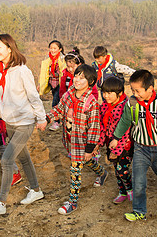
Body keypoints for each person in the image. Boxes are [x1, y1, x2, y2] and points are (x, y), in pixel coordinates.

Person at [0, 34, 46, 216]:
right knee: (24, 157)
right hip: (9, 123)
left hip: (25, 122)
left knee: (7, 159)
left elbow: (33, 96)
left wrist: (41, 118)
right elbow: (0, 97)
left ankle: (1, 201)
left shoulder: (21, 70)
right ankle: (36, 190)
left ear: (10, 48)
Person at [113, 70, 157, 222]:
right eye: (132, 90)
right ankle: (139, 211)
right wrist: (116, 137)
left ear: (150, 88)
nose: (134, 93)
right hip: (140, 149)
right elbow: (125, 121)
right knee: (138, 181)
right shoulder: (131, 103)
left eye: (137, 91)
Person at [45, 64, 108, 215]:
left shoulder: (91, 102)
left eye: (82, 78)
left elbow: (94, 127)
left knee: (75, 169)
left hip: (83, 142)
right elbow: (59, 109)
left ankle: (73, 202)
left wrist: (89, 148)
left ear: (91, 82)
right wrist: (47, 119)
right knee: (87, 161)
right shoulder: (69, 94)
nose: (77, 80)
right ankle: (102, 173)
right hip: (70, 139)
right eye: (76, 76)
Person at [96, 76, 133, 204]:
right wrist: (99, 143)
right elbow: (101, 126)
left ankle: (130, 190)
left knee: (122, 170)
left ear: (120, 93)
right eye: (104, 92)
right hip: (110, 143)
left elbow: (125, 131)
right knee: (116, 169)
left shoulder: (124, 108)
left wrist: (117, 150)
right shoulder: (104, 106)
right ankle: (122, 192)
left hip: (124, 145)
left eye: (110, 93)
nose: (106, 96)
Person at [39, 40, 66, 131]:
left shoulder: (63, 59)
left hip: (60, 83)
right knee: (58, 102)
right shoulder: (47, 59)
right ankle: (61, 119)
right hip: (52, 83)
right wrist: (41, 84)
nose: (52, 50)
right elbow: (43, 73)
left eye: (55, 48)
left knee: (55, 102)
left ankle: (56, 122)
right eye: (51, 48)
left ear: (60, 49)